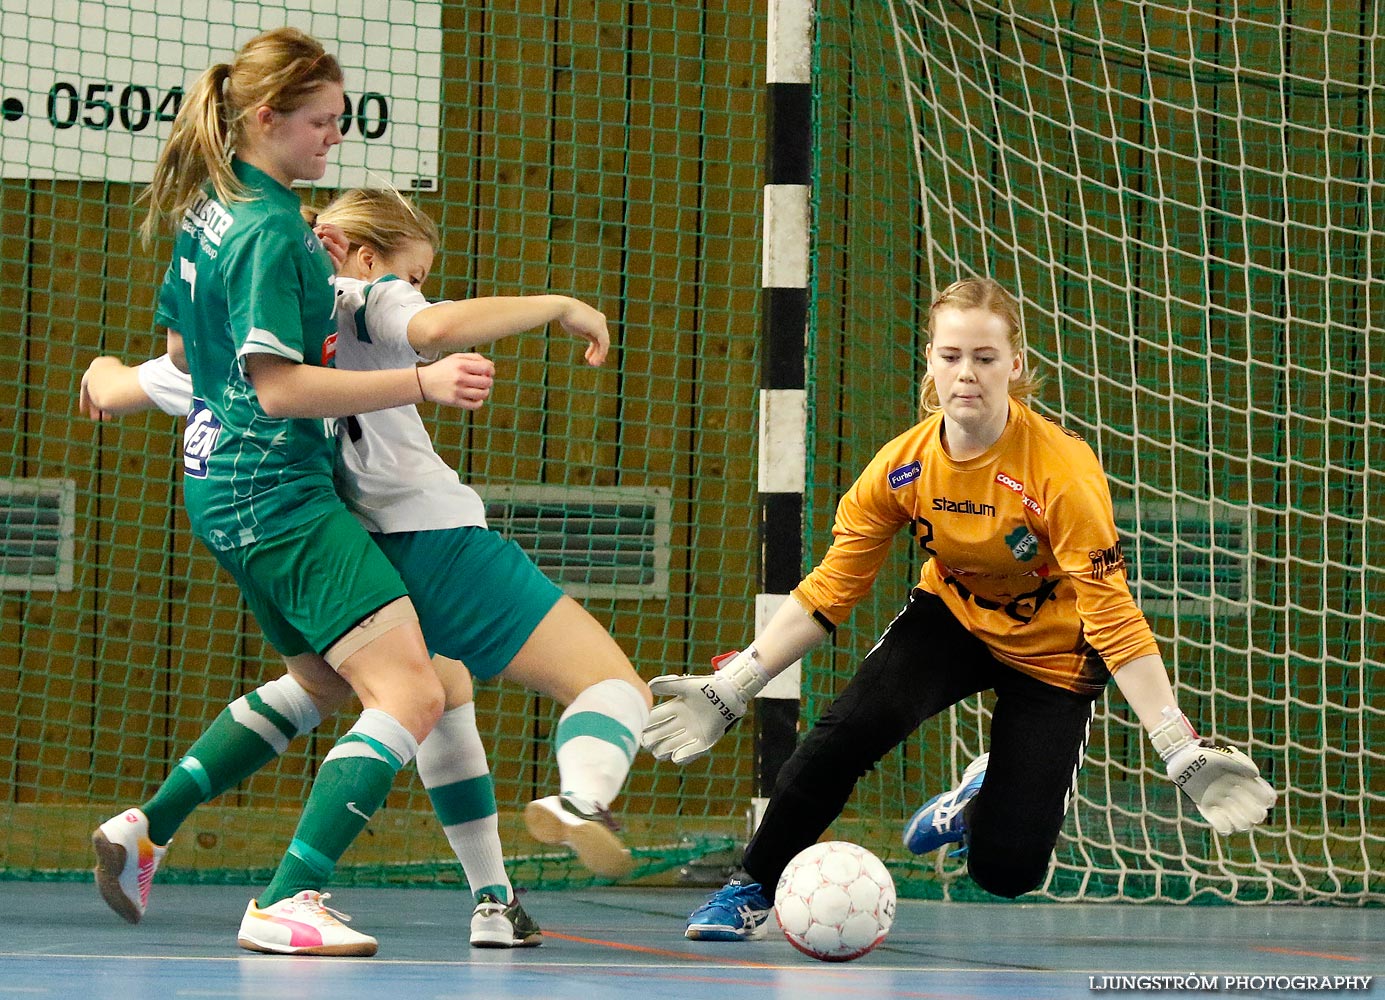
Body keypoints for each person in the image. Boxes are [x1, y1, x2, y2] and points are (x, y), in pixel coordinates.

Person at [83, 186, 651, 952]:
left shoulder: (250, 332)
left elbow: (110, 390)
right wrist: (558, 303)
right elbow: (438, 328)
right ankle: (581, 799)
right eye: (412, 272)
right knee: (612, 686)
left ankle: (491, 900)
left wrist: (105, 365)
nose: (415, 289)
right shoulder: (363, 297)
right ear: (363, 252)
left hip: (343, 538)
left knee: (401, 688)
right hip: (435, 536)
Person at [641, 276, 1277, 941]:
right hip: (952, 619)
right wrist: (732, 686)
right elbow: (829, 590)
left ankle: (975, 803)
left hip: (1055, 652)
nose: (965, 373)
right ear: (929, 361)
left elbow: (1114, 620)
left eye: (983, 356)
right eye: (950, 356)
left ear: (1015, 365)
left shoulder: (1061, 473)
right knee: (842, 734)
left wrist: (1178, 748)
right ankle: (752, 888)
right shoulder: (901, 469)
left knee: (1007, 870)